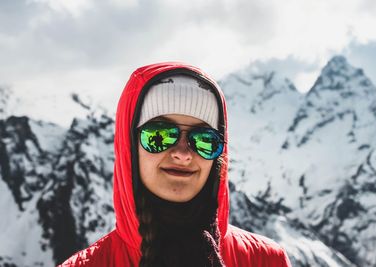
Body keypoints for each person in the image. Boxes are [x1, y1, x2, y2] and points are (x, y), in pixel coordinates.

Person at [60, 62, 292, 266]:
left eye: (204, 140)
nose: (183, 153)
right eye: (159, 135)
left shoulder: (266, 261)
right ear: (129, 146)